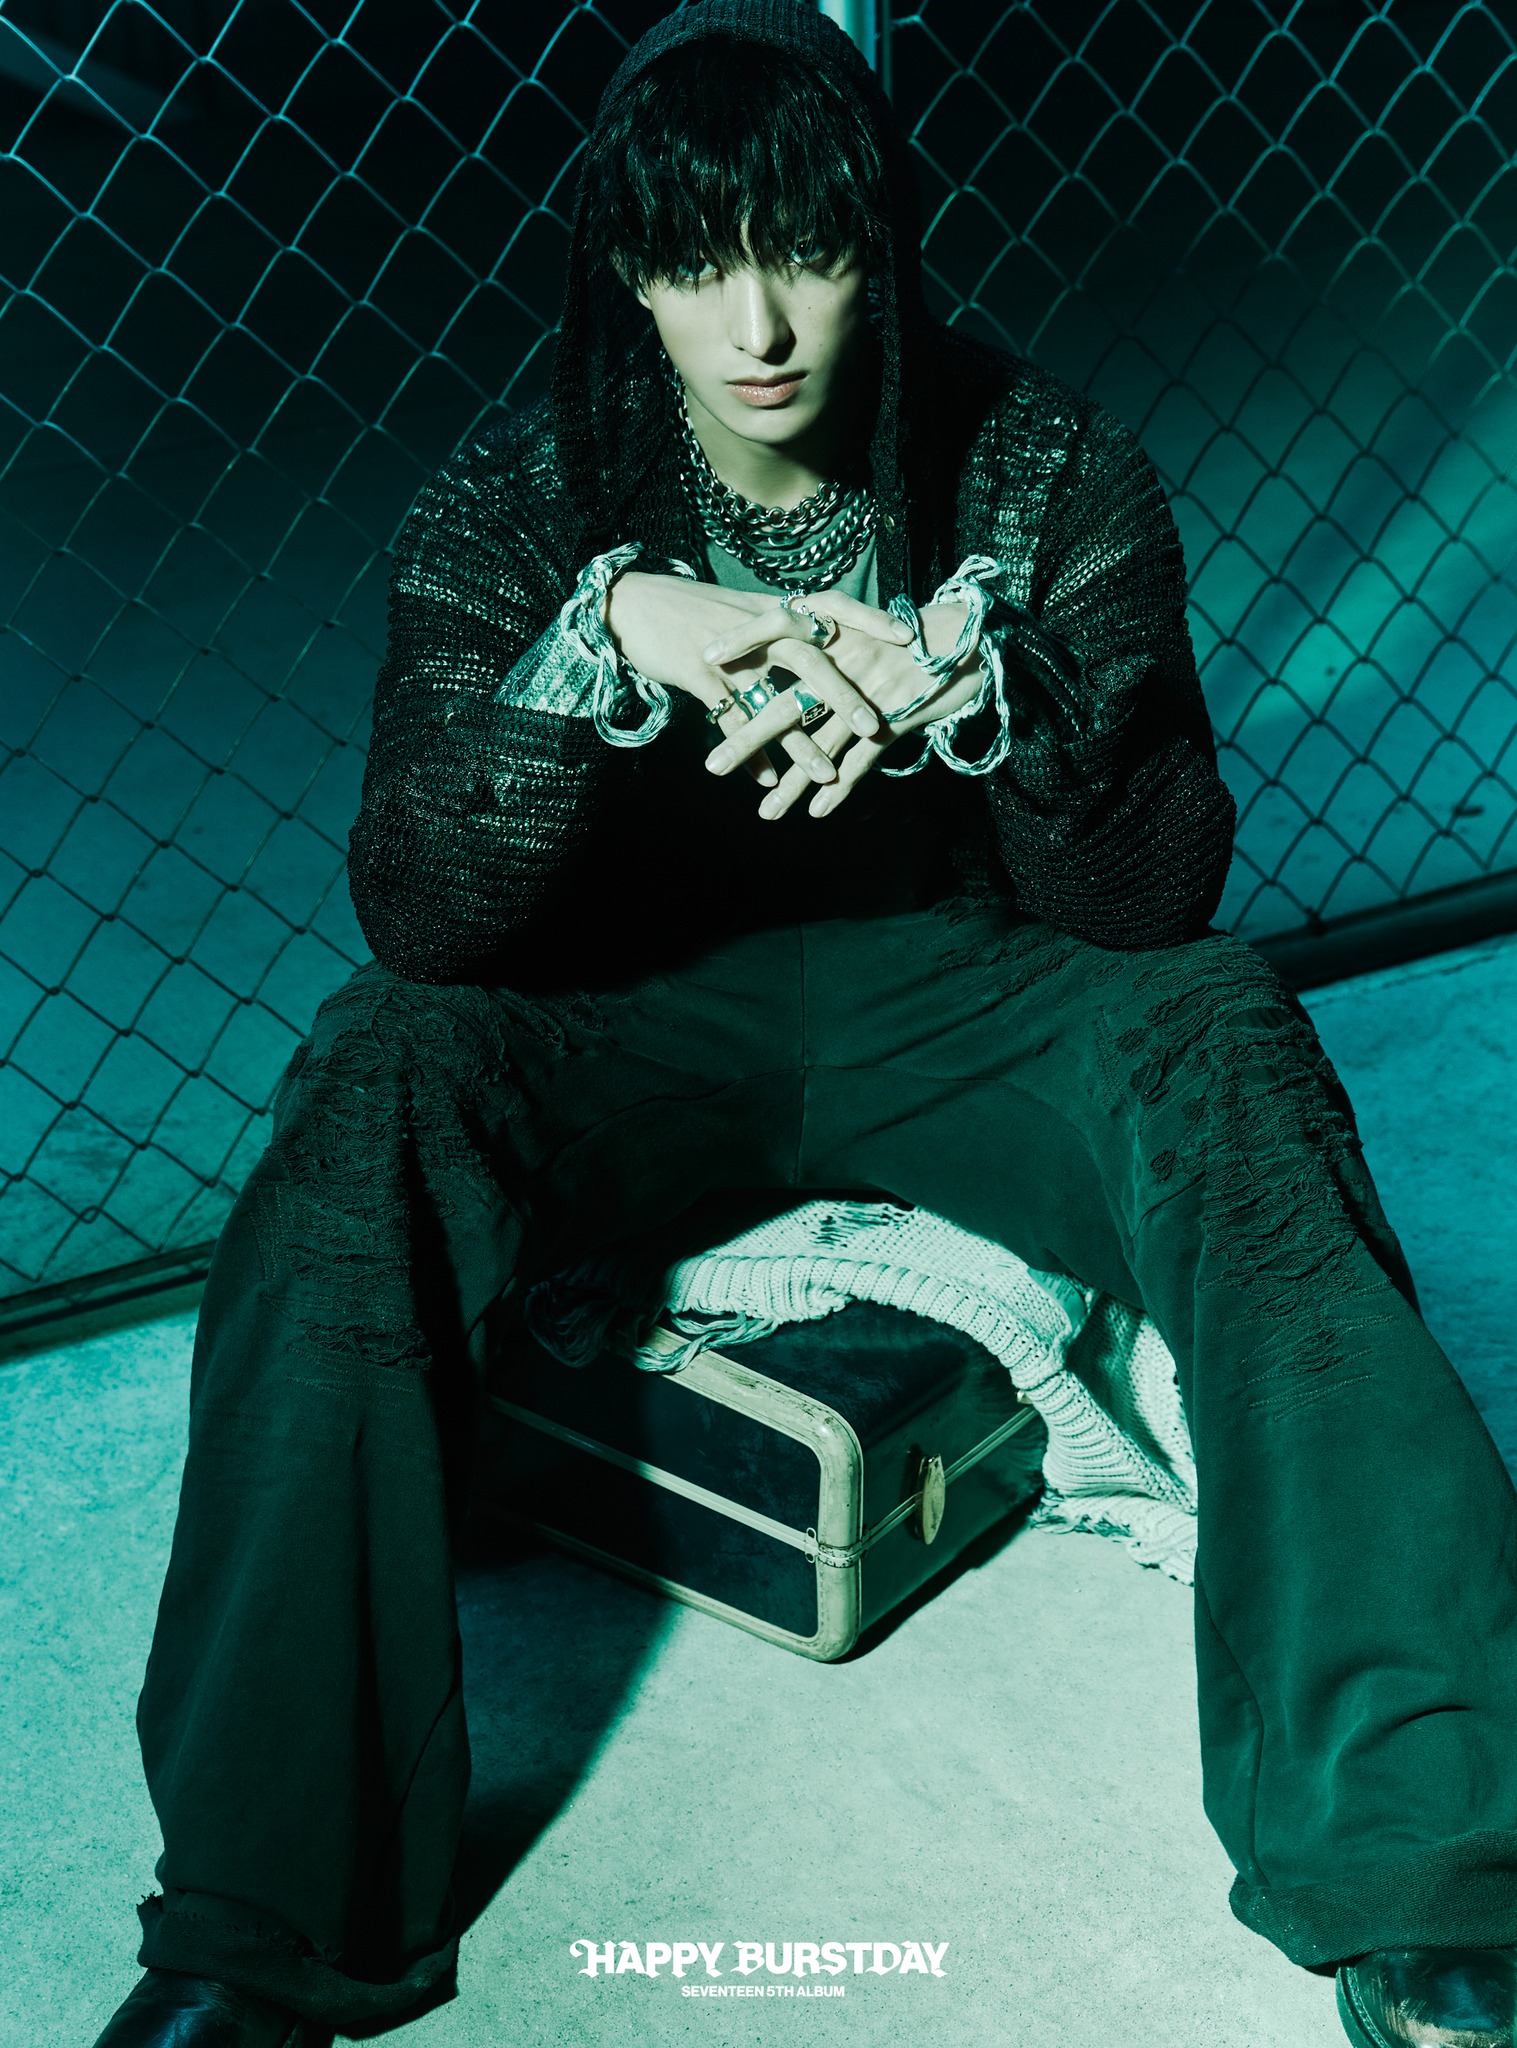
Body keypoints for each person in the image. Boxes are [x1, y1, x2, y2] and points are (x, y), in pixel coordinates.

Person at [91, 5, 1517, 2045]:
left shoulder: (1042, 468)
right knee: (371, 1074)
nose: (756, 323)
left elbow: (1151, 898)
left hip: (964, 986)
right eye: (697, 262)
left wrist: (991, 687)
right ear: (628, 272)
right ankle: (259, 1923)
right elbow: (424, 918)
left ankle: (1421, 1865)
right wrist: (605, 635)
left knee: (1226, 1037)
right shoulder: (516, 497)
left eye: (809, 253)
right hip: (625, 1010)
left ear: (883, 252)